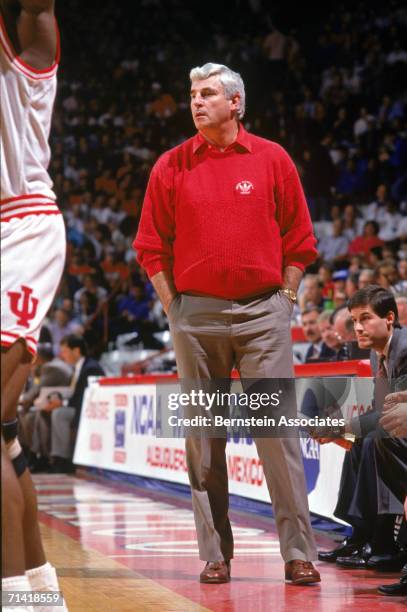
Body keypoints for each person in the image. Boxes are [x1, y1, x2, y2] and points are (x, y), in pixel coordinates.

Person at [135, 62, 321, 585]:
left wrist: (286, 296)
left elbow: (300, 238)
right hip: (196, 317)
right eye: (192, 93)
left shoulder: (271, 158)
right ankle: (215, 552)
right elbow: (151, 246)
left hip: (264, 313)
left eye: (208, 93)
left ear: (235, 102)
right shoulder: (171, 165)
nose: (196, 101)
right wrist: (174, 307)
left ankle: (297, 553)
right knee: (204, 438)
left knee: (277, 435)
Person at [0, 0, 67, 608]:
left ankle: (12, 595)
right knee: (4, 432)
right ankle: (38, 592)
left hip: (18, 229)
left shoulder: (28, 47)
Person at [318, 287, 406, 572]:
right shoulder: (377, 354)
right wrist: (344, 432)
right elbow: (379, 408)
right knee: (359, 440)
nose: (358, 327)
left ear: (389, 317)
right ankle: (361, 534)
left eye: (365, 318)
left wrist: (342, 427)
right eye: (354, 320)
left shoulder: (404, 349)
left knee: (373, 440)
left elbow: (393, 416)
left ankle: (383, 539)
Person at [41, 334, 105, 473]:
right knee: (45, 412)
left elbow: (84, 398)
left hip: (88, 410)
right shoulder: (78, 367)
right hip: (78, 407)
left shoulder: (91, 368)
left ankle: (64, 459)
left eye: (64, 351)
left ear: (76, 351)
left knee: (59, 414)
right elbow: (74, 394)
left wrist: (62, 403)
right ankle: (46, 457)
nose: (62, 355)